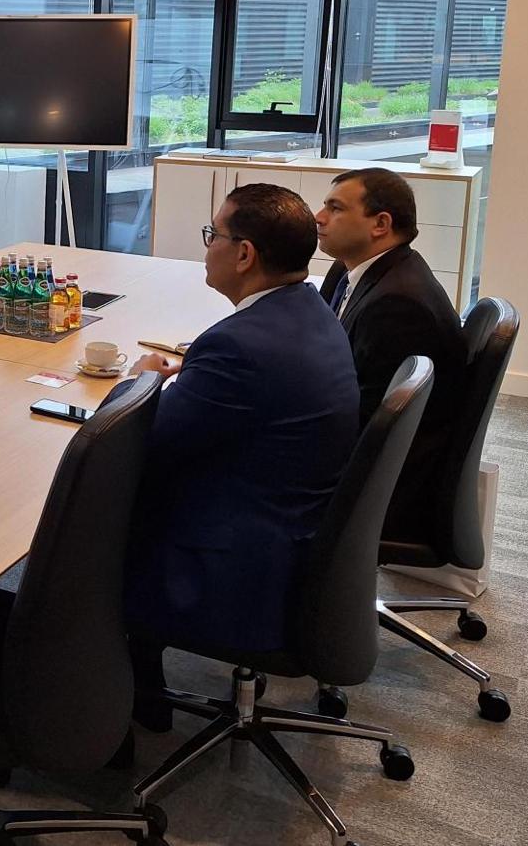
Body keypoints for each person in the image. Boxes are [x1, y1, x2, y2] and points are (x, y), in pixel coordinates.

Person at [123, 183, 361, 661]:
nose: (208, 246)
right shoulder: (309, 310)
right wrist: (196, 376)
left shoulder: (238, 345)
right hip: (290, 533)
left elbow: (137, 444)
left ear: (245, 254)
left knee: (84, 517)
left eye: (213, 235)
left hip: (234, 567)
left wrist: (140, 381)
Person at [315, 166, 467, 540]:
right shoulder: (359, 271)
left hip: (383, 490)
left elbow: (364, 424)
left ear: (380, 224)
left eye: (335, 208)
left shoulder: (398, 305)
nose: (319, 217)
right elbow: (317, 343)